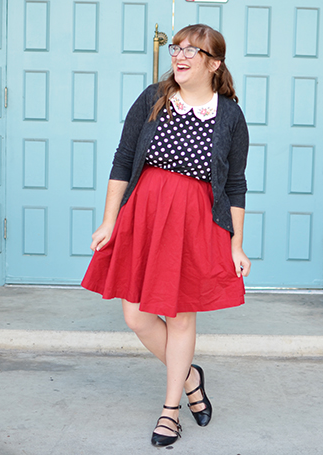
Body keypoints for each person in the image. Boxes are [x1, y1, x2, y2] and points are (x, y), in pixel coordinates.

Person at [81, 24, 251, 447]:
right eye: (177, 48)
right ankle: (191, 377)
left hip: (195, 222)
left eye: (193, 51)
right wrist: (109, 221)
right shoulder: (154, 98)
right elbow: (123, 160)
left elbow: (235, 184)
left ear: (214, 64)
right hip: (144, 214)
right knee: (136, 316)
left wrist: (237, 244)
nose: (180, 56)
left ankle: (170, 411)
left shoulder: (229, 116)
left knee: (180, 316)